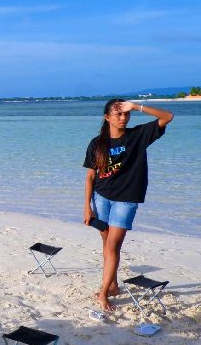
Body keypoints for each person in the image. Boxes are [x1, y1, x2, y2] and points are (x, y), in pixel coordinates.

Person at [82, 99, 173, 311]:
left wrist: (136, 106)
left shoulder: (138, 136)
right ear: (107, 118)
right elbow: (90, 176)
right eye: (118, 115)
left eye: (125, 114)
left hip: (126, 201)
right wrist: (87, 206)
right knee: (107, 243)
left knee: (112, 246)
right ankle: (112, 285)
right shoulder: (96, 143)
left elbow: (167, 117)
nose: (123, 118)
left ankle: (104, 293)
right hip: (101, 197)